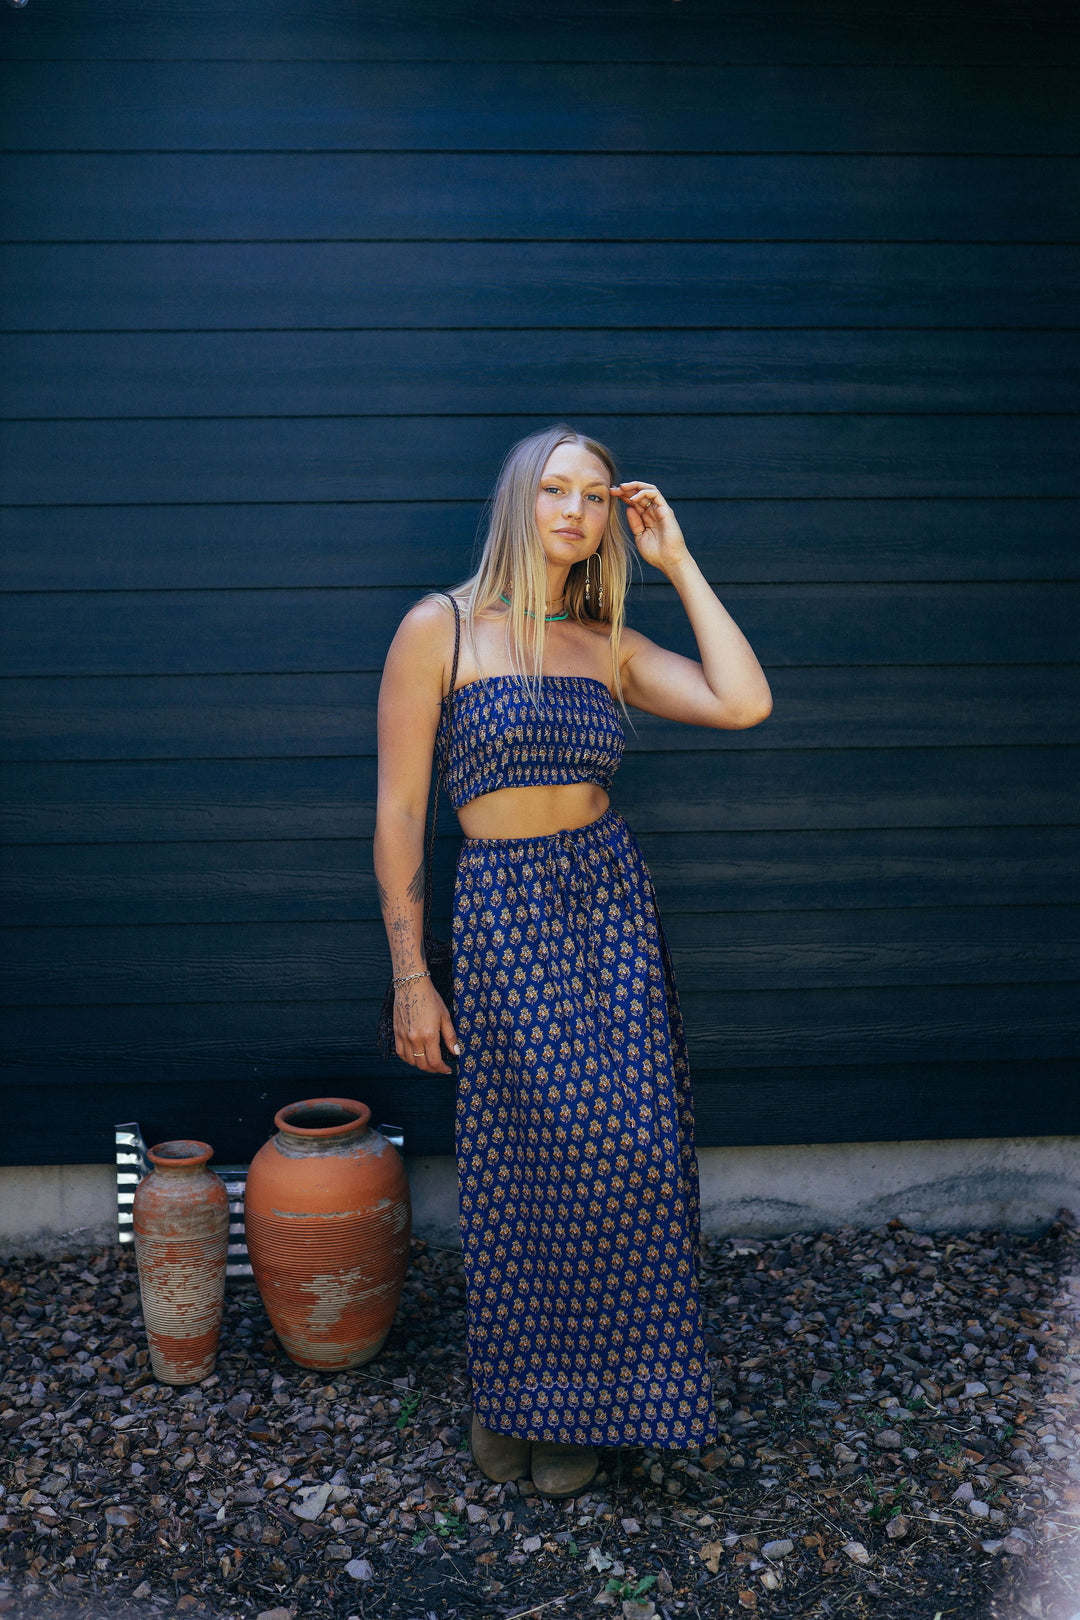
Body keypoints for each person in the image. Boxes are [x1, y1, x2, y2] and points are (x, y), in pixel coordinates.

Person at [374, 424, 772, 1499]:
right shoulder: (440, 627)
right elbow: (401, 812)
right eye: (556, 489)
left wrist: (676, 560)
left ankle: (596, 1403)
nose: (576, 511)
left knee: (635, 1153)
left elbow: (744, 702)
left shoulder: (607, 643)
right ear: (520, 500)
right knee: (527, 1161)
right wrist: (411, 975)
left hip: (609, 902)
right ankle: (518, 1400)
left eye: (595, 496)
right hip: (503, 913)